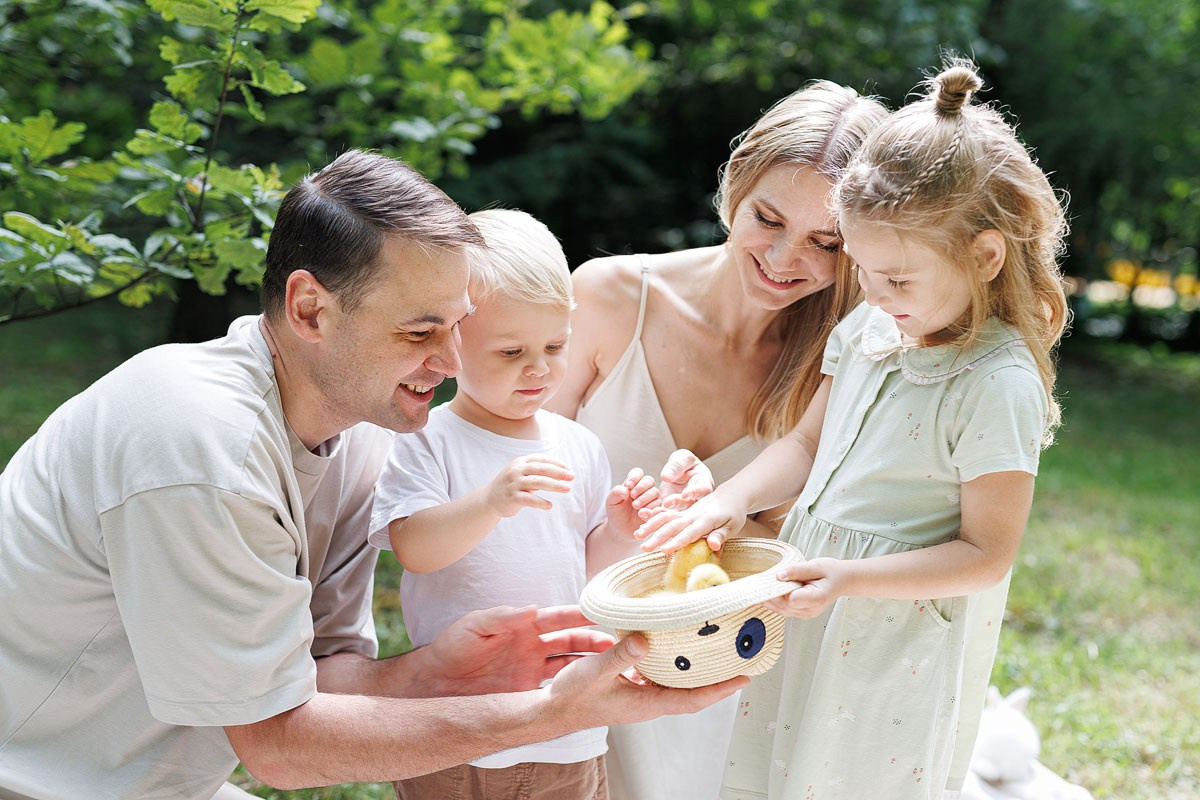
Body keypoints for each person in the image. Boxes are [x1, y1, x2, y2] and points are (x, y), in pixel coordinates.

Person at [0, 150, 745, 800]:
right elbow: (282, 746)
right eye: (420, 331)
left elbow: (320, 674)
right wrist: (560, 711)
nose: (453, 363)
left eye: (456, 326)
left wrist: (435, 673)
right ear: (309, 309)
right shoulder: (200, 447)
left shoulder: (358, 436)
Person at [637, 59, 1070, 800]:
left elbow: (984, 555)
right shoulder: (873, 325)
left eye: (896, 278)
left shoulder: (997, 383)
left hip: (886, 638)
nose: (872, 294)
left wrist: (849, 580)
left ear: (986, 256)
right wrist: (729, 499)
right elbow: (806, 445)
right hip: (812, 603)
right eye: (862, 269)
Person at [548, 81, 888, 800]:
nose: (786, 257)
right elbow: (512, 478)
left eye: (827, 243)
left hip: (716, 670)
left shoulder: (837, 363)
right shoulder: (608, 299)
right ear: (734, 183)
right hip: (564, 641)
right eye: (768, 217)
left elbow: (780, 547)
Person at [369, 208, 655, 799]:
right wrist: (490, 502)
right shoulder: (428, 438)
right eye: (510, 351)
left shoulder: (577, 443)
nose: (539, 367)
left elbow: (586, 573)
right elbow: (414, 548)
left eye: (555, 345)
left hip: (564, 722)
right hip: (458, 724)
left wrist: (621, 534)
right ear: (453, 342)